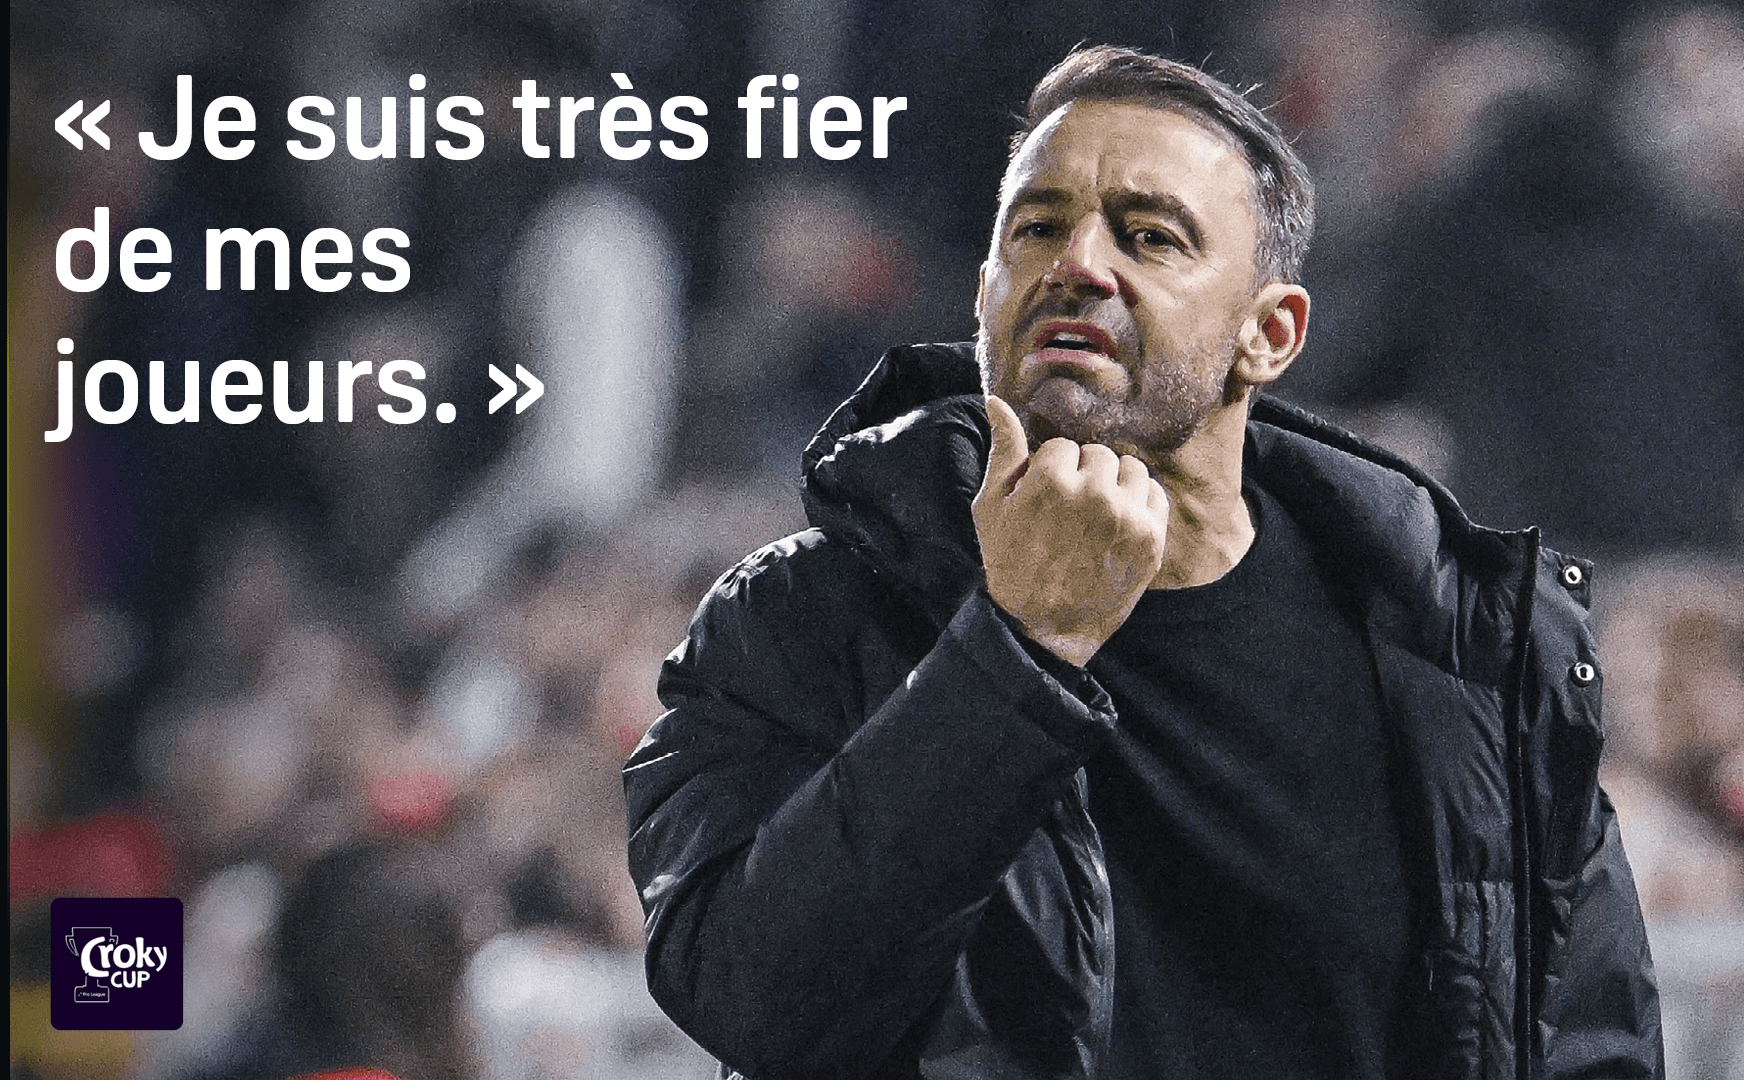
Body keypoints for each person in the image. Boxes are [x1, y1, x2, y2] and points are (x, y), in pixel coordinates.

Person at [623, 45, 1662, 1080]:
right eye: (1037, 228)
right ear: (984, 297)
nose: (1078, 264)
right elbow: (752, 1003)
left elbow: (1588, 1050)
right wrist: (1018, 653)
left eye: (1151, 235)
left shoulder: (1462, 654)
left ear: (1269, 333)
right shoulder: (796, 617)